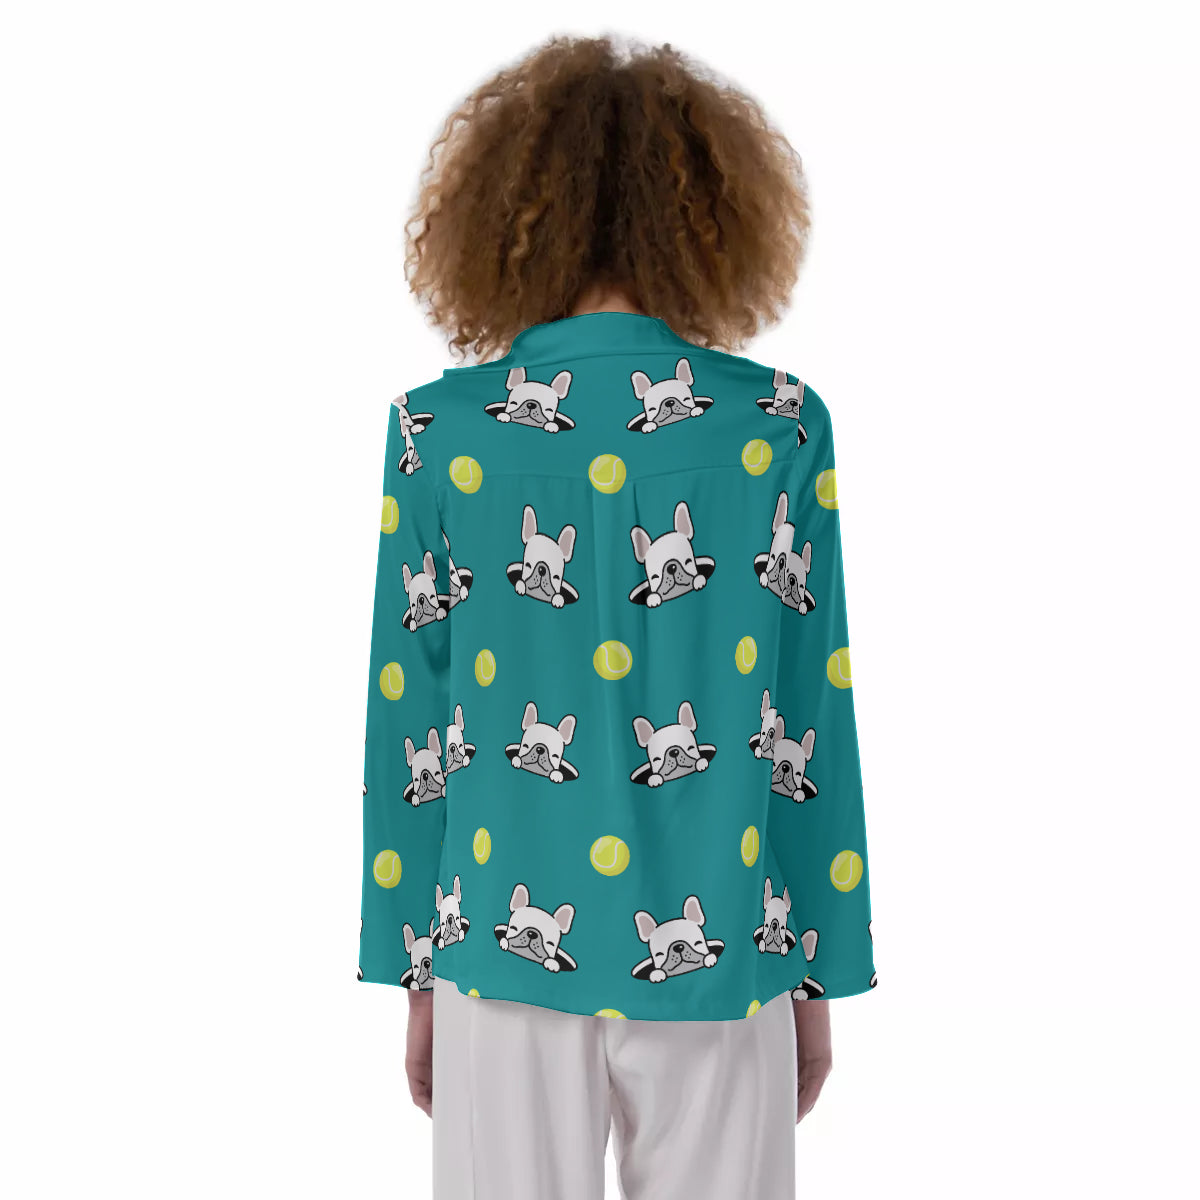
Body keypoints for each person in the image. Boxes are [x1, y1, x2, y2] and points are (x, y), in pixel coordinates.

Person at [358, 33, 875, 1200]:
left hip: (499, 952)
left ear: (498, 217)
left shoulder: (434, 433)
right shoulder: (781, 427)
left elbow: (410, 724)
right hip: (725, 940)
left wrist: (415, 969)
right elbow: (813, 714)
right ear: (712, 218)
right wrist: (816, 974)